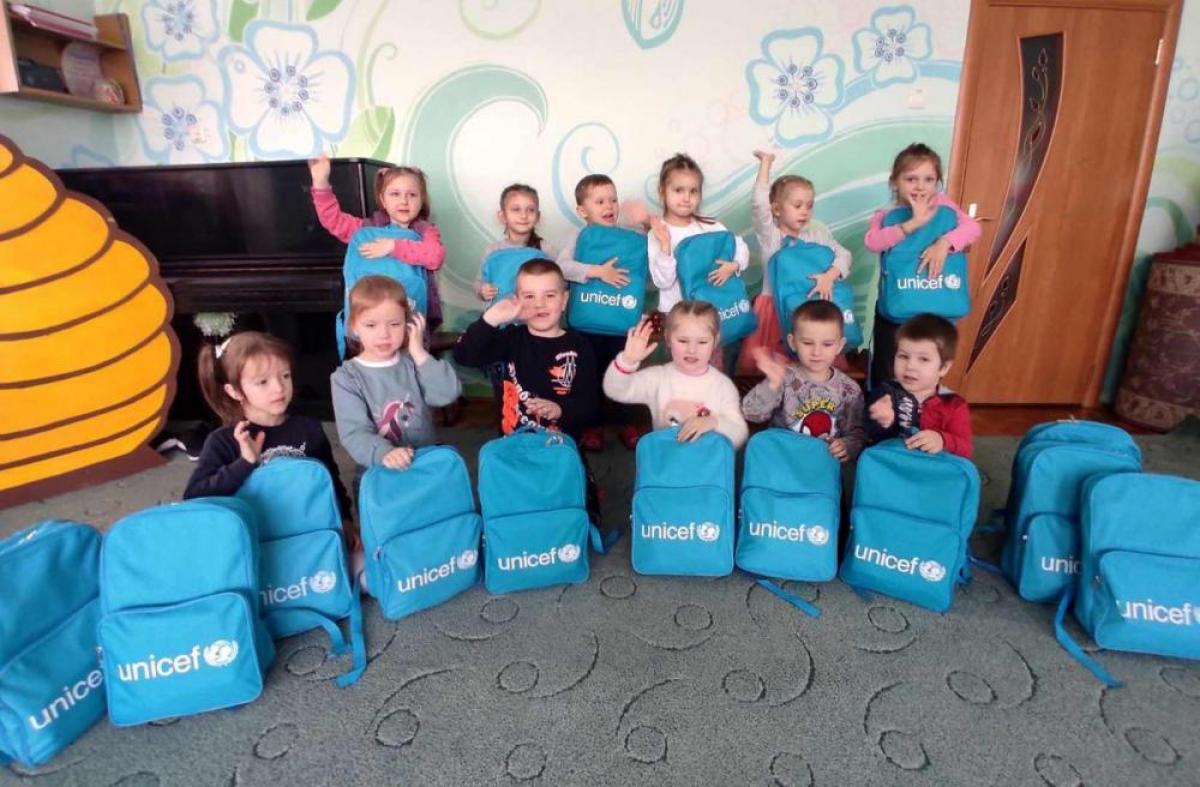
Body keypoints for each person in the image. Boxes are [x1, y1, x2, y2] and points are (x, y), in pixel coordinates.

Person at [454, 257, 602, 522]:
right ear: (517, 300)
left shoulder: (580, 346)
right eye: (529, 296)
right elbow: (464, 355)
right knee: (518, 513)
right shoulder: (510, 338)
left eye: (549, 295)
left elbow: (592, 405)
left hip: (562, 452)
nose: (539, 304)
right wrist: (492, 318)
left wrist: (560, 409)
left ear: (564, 300)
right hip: (515, 449)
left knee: (569, 515)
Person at [184, 331, 353, 530]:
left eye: (285, 375)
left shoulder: (309, 428)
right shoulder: (224, 441)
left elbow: (330, 479)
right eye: (262, 382)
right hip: (254, 535)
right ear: (235, 391)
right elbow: (194, 496)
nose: (279, 388)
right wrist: (244, 463)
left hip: (309, 530)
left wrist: (345, 519)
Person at [864, 143, 980, 387]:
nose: (920, 186)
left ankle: (923, 408)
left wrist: (945, 243)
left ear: (937, 182)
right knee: (888, 370)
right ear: (894, 182)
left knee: (928, 370)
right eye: (911, 179)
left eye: (929, 179)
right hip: (896, 314)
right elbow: (873, 242)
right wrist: (912, 224)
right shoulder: (886, 215)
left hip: (939, 311)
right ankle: (885, 408)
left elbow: (973, 228)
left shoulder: (946, 208)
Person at [330, 276, 461, 485]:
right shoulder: (346, 378)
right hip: (379, 470)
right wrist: (385, 453)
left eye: (394, 324)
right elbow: (354, 433)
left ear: (408, 325)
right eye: (371, 325)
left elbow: (446, 394)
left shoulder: (415, 363)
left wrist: (419, 352)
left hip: (423, 463)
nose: (384, 334)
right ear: (354, 326)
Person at [741, 149, 852, 367]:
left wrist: (829, 276)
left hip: (808, 309)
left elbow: (844, 255)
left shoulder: (817, 235)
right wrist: (766, 164)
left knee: (810, 365)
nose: (805, 212)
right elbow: (759, 204)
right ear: (777, 209)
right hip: (773, 311)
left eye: (809, 206)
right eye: (797, 205)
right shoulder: (771, 236)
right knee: (773, 369)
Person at [308, 153, 446, 327]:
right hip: (370, 315)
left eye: (412, 195)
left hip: (410, 315)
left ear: (421, 200)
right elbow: (333, 220)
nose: (404, 201)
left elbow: (435, 257)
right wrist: (321, 184)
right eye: (395, 194)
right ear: (383, 200)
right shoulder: (366, 229)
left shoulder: (425, 231)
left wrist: (393, 247)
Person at [557, 174, 643, 451]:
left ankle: (627, 423)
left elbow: (649, 269)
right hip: (586, 324)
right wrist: (597, 272)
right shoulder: (579, 235)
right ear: (582, 210)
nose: (609, 206)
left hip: (621, 322)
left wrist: (646, 224)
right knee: (588, 377)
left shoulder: (632, 236)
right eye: (600, 201)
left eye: (613, 200)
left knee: (624, 372)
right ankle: (592, 427)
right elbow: (561, 267)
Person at [647, 153, 750, 375]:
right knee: (679, 377)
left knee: (715, 375)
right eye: (678, 190)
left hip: (713, 317)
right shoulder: (658, 232)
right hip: (678, 322)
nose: (686, 198)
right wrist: (665, 245)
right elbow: (663, 281)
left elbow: (740, 246)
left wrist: (734, 265)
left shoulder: (712, 226)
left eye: (693, 191)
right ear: (662, 191)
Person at [603, 301, 748, 449]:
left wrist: (714, 422)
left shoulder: (723, 386)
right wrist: (627, 361)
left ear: (715, 341)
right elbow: (615, 390)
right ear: (668, 338)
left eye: (702, 342)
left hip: (708, 463)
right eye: (682, 340)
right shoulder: (659, 378)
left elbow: (740, 432)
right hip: (665, 460)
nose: (692, 350)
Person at [742, 300, 864, 462]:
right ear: (793, 342)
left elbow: (856, 434)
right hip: (782, 458)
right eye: (807, 343)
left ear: (840, 345)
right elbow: (751, 413)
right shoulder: (782, 376)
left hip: (822, 463)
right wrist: (772, 384)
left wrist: (845, 445)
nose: (816, 352)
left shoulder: (849, 389)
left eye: (827, 344)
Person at [866, 313, 973, 458]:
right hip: (893, 464)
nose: (910, 366)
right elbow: (869, 438)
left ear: (943, 368)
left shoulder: (954, 404)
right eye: (903, 356)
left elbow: (965, 449)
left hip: (932, 467)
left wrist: (942, 440)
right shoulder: (885, 393)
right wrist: (883, 422)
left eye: (923, 359)